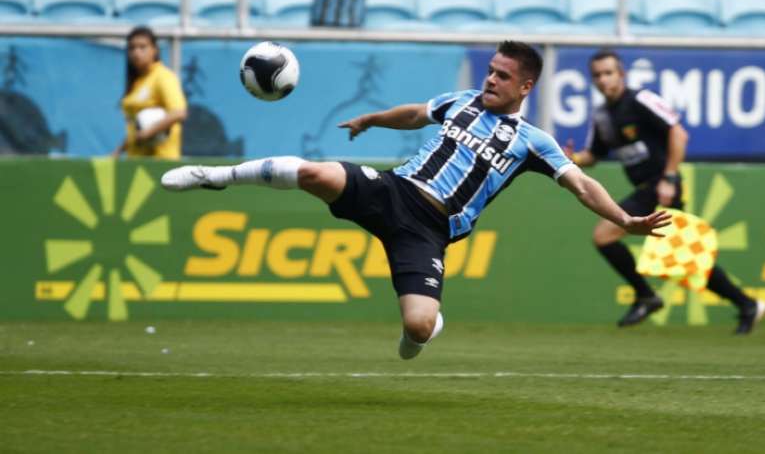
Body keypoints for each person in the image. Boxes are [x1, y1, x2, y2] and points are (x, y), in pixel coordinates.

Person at [161, 41, 670, 359]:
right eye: (490, 70)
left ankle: (422, 333)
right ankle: (215, 174)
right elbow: (414, 113)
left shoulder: (533, 141)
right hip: (393, 191)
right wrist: (370, 120)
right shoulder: (461, 103)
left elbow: (582, 183)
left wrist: (624, 218)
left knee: (417, 329)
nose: (490, 79)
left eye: (501, 75)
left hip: (429, 231)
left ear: (525, 85)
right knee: (316, 172)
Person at [565, 49, 765, 334]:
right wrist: (573, 159)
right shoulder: (602, 116)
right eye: (597, 75)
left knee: (604, 235)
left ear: (621, 74)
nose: (603, 79)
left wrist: (670, 178)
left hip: (660, 186)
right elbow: (595, 155)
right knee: (687, 258)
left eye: (608, 73)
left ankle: (646, 296)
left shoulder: (641, 100)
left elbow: (678, 133)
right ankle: (747, 304)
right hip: (648, 189)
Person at [113, 26, 187, 160]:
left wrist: (148, 132)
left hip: (160, 160)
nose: (136, 52)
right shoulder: (137, 82)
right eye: (132, 48)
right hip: (137, 160)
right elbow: (136, 129)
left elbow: (179, 112)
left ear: (155, 50)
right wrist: (118, 151)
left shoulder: (163, 76)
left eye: (142, 47)